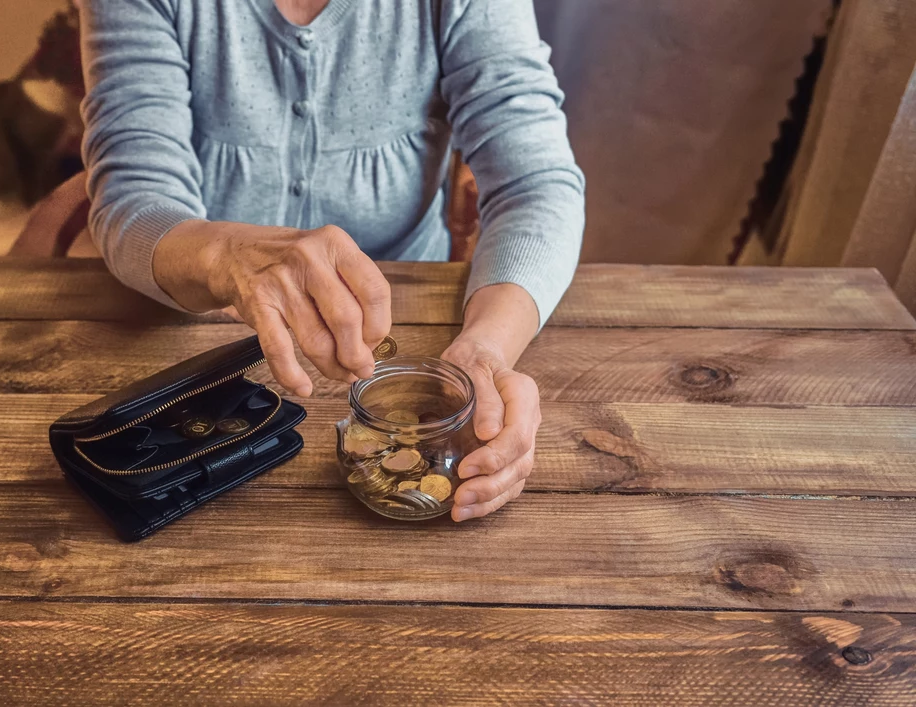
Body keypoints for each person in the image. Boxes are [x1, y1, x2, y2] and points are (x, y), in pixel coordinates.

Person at [80, 0, 585, 521]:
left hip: (413, 326)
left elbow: (537, 186)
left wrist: (486, 349)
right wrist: (224, 256)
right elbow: (132, 195)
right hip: (194, 339)